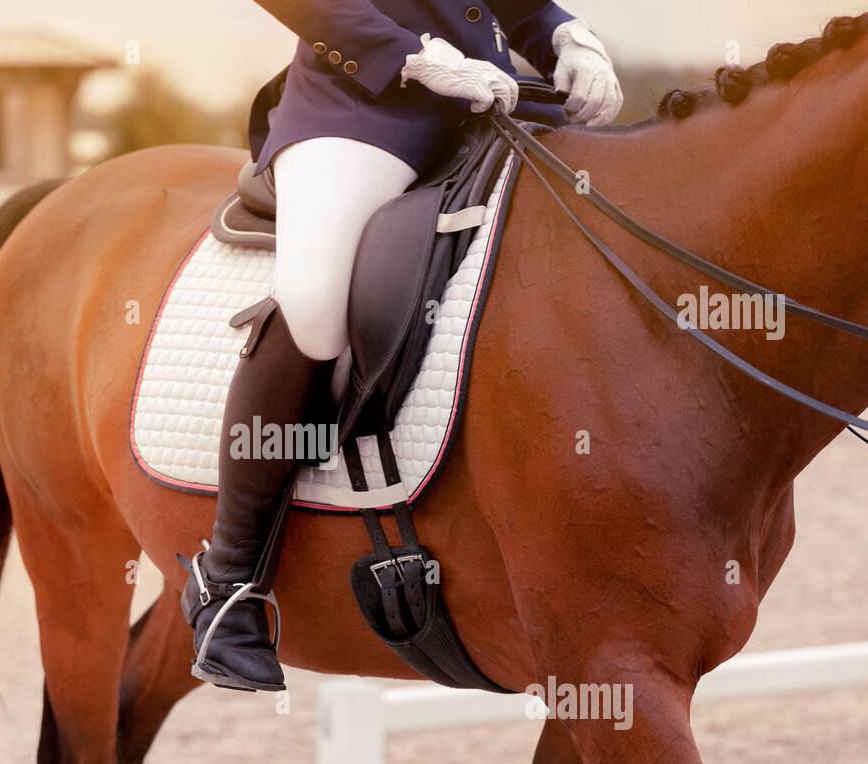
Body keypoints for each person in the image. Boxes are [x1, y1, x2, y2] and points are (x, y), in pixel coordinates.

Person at [182, 1, 624, 692]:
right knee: (315, 300)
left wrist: (566, 36)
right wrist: (414, 56)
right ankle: (229, 580)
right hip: (364, 108)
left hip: (496, 101)